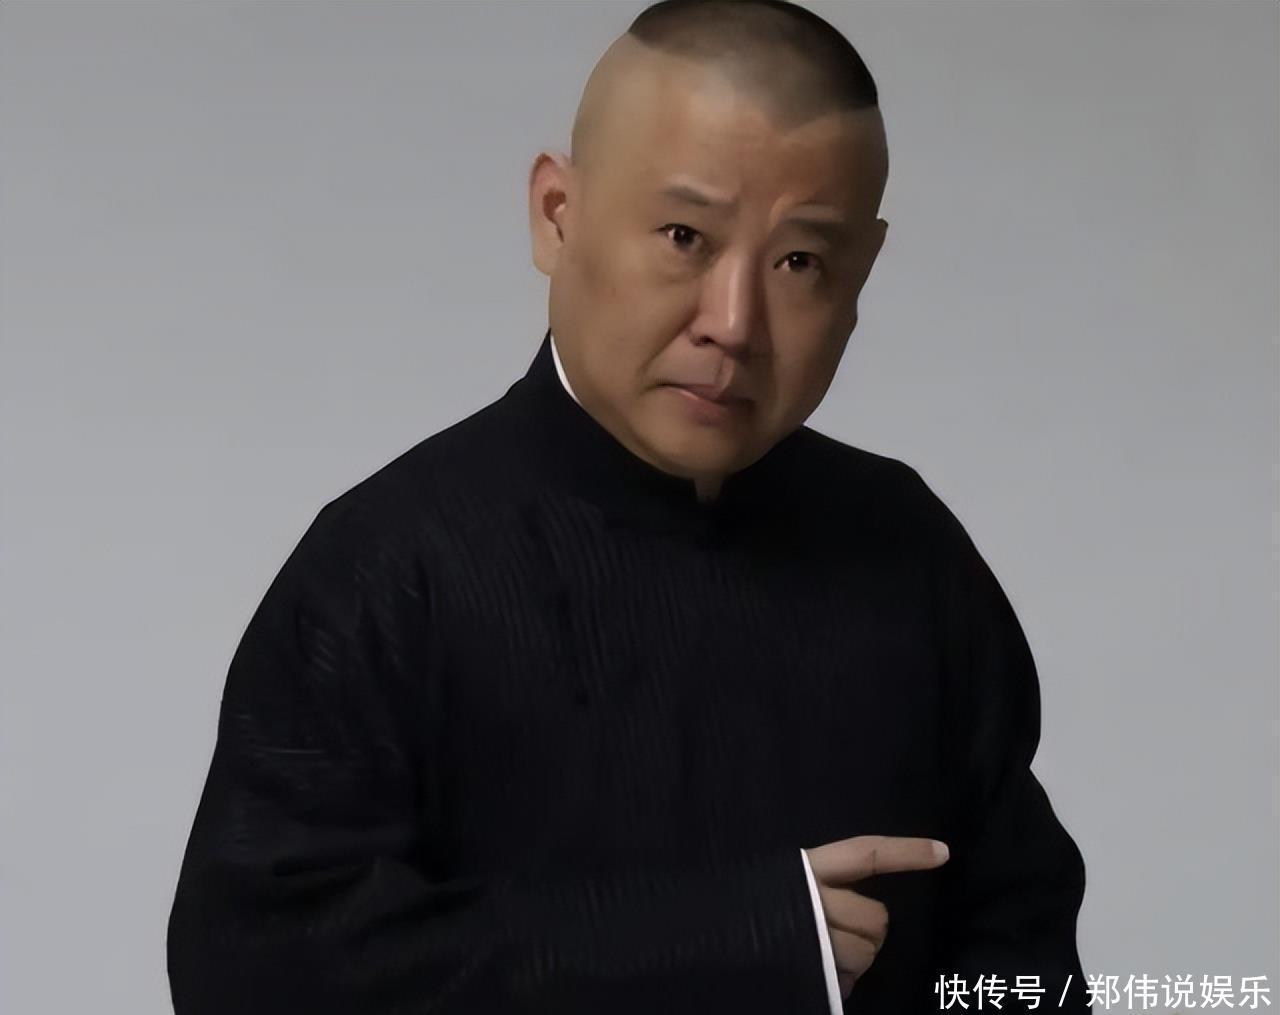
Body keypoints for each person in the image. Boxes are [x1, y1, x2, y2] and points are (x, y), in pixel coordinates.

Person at [166, 2, 1090, 1012]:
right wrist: (735, 939)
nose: (733, 324)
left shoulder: (905, 547)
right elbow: (252, 971)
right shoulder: (388, 566)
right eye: (684, 236)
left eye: (799, 262)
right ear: (556, 215)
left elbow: (1023, 957)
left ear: (860, 273)